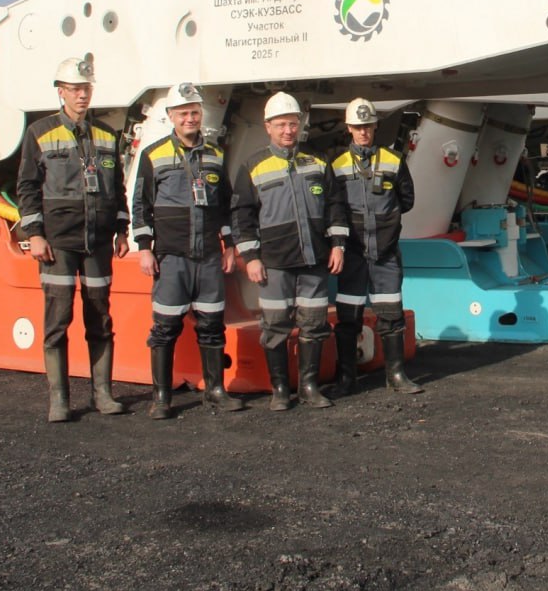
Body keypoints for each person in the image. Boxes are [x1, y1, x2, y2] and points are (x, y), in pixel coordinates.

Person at [17, 57, 131, 423]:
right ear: (61, 92)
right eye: (75, 89)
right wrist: (35, 234)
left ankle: (103, 394)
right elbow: (27, 187)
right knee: (58, 319)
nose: (82, 95)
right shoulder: (40, 132)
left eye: (86, 89)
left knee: (100, 318)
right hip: (58, 242)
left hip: (98, 241)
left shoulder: (107, 135)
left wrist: (122, 231)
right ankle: (59, 400)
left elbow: (118, 188)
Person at [132, 83, 246, 419]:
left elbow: (225, 206)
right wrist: (144, 249)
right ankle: (161, 397)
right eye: (183, 113)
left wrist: (229, 246)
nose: (190, 118)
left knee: (212, 325)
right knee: (164, 329)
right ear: (171, 116)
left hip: (208, 256)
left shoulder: (215, 154)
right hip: (171, 256)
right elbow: (140, 205)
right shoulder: (153, 155)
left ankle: (215, 390)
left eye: (194, 111)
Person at [231, 92, 348, 410]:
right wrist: (251, 258)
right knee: (275, 327)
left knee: (314, 324)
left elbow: (335, 205)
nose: (288, 130)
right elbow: (242, 216)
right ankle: (280, 390)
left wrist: (338, 245)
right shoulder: (253, 166)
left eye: (293, 124)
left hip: (314, 260)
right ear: (268, 126)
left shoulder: (318, 161)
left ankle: (309, 387)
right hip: (275, 263)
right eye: (281, 124)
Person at [331, 98, 423, 395]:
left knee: (391, 315)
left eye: (368, 127)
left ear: (375, 127)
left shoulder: (394, 160)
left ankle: (395, 375)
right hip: (353, 253)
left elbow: (407, 200)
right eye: (358, 127)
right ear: (349, 128)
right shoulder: (336, 165)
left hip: (385, 254)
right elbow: (333, 208)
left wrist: (386, 225)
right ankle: (347, 379)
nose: (363, 132)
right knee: (348, 318)